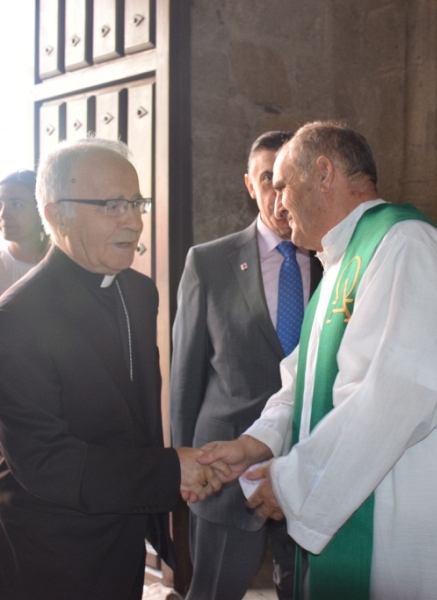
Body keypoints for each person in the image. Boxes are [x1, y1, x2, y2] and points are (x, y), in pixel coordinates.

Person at [199, 121, 437, 599]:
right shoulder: (340, 266)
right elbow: (302, 381)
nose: (278, 205)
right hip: (374, 507)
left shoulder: (406, 247)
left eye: (283, 186)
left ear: (323, 173)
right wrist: (257, 443)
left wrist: (292, 482)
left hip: (412, 523)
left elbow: (398, 392)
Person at [0, 137, 227, 600]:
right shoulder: (15, 319)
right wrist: (167, 472)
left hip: (123, 534)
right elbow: (45, 462)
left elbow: (137, 416)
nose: (134, 219)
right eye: (111, 205)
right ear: (55, 214)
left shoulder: (140, 295)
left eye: (136, 202)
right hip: (52, 547)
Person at [170, 130, 322, 600]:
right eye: (267, 181)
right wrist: (187, 464)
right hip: (225, 472)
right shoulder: (209, 263)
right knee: (215, 591)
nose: (280, 197)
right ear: (249, 185)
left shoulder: (331, 263)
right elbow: (186, 379)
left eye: (288, 182)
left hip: (308, 465)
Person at [0, 169, 50, 295]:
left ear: (40, 210)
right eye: (0, 205)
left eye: (16, 204)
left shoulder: (64, 263)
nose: (3, 214)